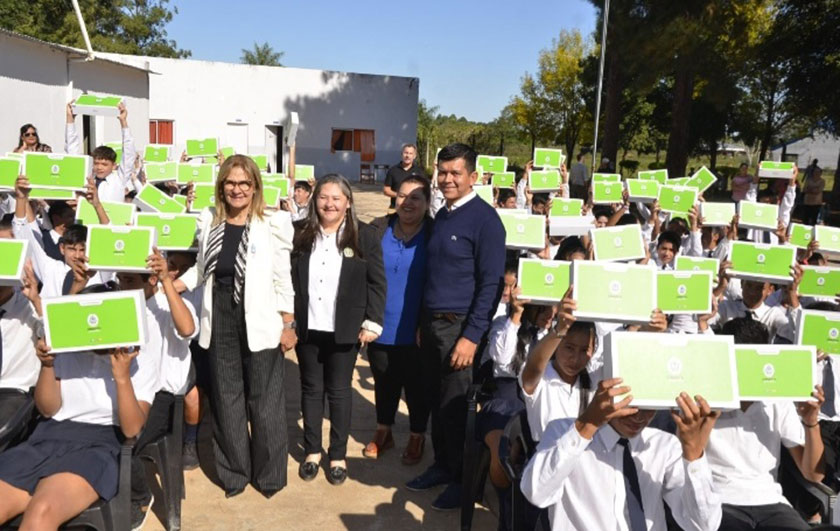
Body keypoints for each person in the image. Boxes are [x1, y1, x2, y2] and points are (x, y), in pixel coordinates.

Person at [174, 155, 297, 498]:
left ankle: (270, 476)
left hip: (260, 316)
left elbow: (281, 277)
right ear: (221, 186)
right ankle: (234, 474)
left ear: (255, 187)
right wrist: (168, 285)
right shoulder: (210, 221)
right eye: (231, 182)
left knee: (265, 399)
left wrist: (289, 322)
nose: (237, 189)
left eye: (245, 183)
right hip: (220, 315)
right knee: (227, 398)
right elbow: (200, 272)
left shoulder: (272, 223)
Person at [0, 282, 159, 529]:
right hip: (48, 436)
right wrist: (48, 365)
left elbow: (132, 430)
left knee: (41, 512)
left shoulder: (137, 358)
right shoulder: (66, 346)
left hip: (100, 446)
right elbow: (48, 409)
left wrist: (122, 377)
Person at [406, 143, 506, 510]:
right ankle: (442, 466)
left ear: (473, 177)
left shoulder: (485, 220)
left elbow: (491, 284)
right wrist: (422, 322)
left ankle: (465, 483)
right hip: (433, 326)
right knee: (438, 403)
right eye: (442, 172)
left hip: (460, 329)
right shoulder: (444, 215)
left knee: (458, 410)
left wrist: (471, 336)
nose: (447, 179)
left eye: (455, 173)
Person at [521, 375, 722, 531]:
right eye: (631, 405)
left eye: (649, 407)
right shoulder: (564, 432)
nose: (639, 417)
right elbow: (536, 493)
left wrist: (694, 456)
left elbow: (702, 525)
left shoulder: (663, 445)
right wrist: (586, 426)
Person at [291, 174, 386, 485]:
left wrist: (372, 322)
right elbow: (291, 279)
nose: (329, 203)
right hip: (309, 325)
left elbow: (377, 283)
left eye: (336, 198)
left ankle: (338, 455)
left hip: (345, 329)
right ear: (315, 200)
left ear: (348, 202)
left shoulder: (364, 237)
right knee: (311, 389)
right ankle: (313, 451)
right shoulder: (302, 233)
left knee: (340, 392)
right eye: (323, 197)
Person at [708, 317, 825, 531]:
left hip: (770, 501)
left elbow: (813, 474)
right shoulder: (709, 399)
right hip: (720, 500)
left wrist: (811, 423)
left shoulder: (777, 401)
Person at [121, 252, 198, 529]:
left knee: (123, 442)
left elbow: (188, 328)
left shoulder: (170, 304)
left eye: (129, 280)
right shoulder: (118, 306)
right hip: (126, 391)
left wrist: (166, 280)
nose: (122, 285)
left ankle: (140, 496)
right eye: (120, 279)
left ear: (151, 280)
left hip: (161, 398)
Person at [365, 176, 433, 464]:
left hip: (417, 325)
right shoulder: (377, 229)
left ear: (428, 203)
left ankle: (417, 435)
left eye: (416, 197)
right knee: (384, 379)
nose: (407, 203)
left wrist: (428, 322)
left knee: (418, 385)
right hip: (381, 321)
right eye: (403, 196)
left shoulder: (435, 234)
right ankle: (384, 430)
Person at [12, 176, 111, 297]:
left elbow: (108, 237)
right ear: (62, 248)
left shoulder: (101, 273)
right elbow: (22, 231)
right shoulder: (49, 269)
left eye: (82, 250)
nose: (77, 256)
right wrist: (21, 198)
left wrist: (97, 205)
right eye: (72, 249)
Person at [66, 100, 137, 203]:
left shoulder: (119, 179)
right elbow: (72, 152)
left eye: (104, 164)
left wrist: (123, 122)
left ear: (113, 166)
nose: (99, 167)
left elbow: (129, 153)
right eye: (96, 163)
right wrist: (70, 119)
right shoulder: (86, 179)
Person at [383, 144, 424, 209]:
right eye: (406, 153)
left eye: (410, 153)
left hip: (413, 208)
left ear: (414, 156)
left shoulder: (419, 172)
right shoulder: (393, 170)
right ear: (402, 154)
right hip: (395, 209)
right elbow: (386, 190)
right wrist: (400, 195)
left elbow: (424, 190)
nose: (407, 156)